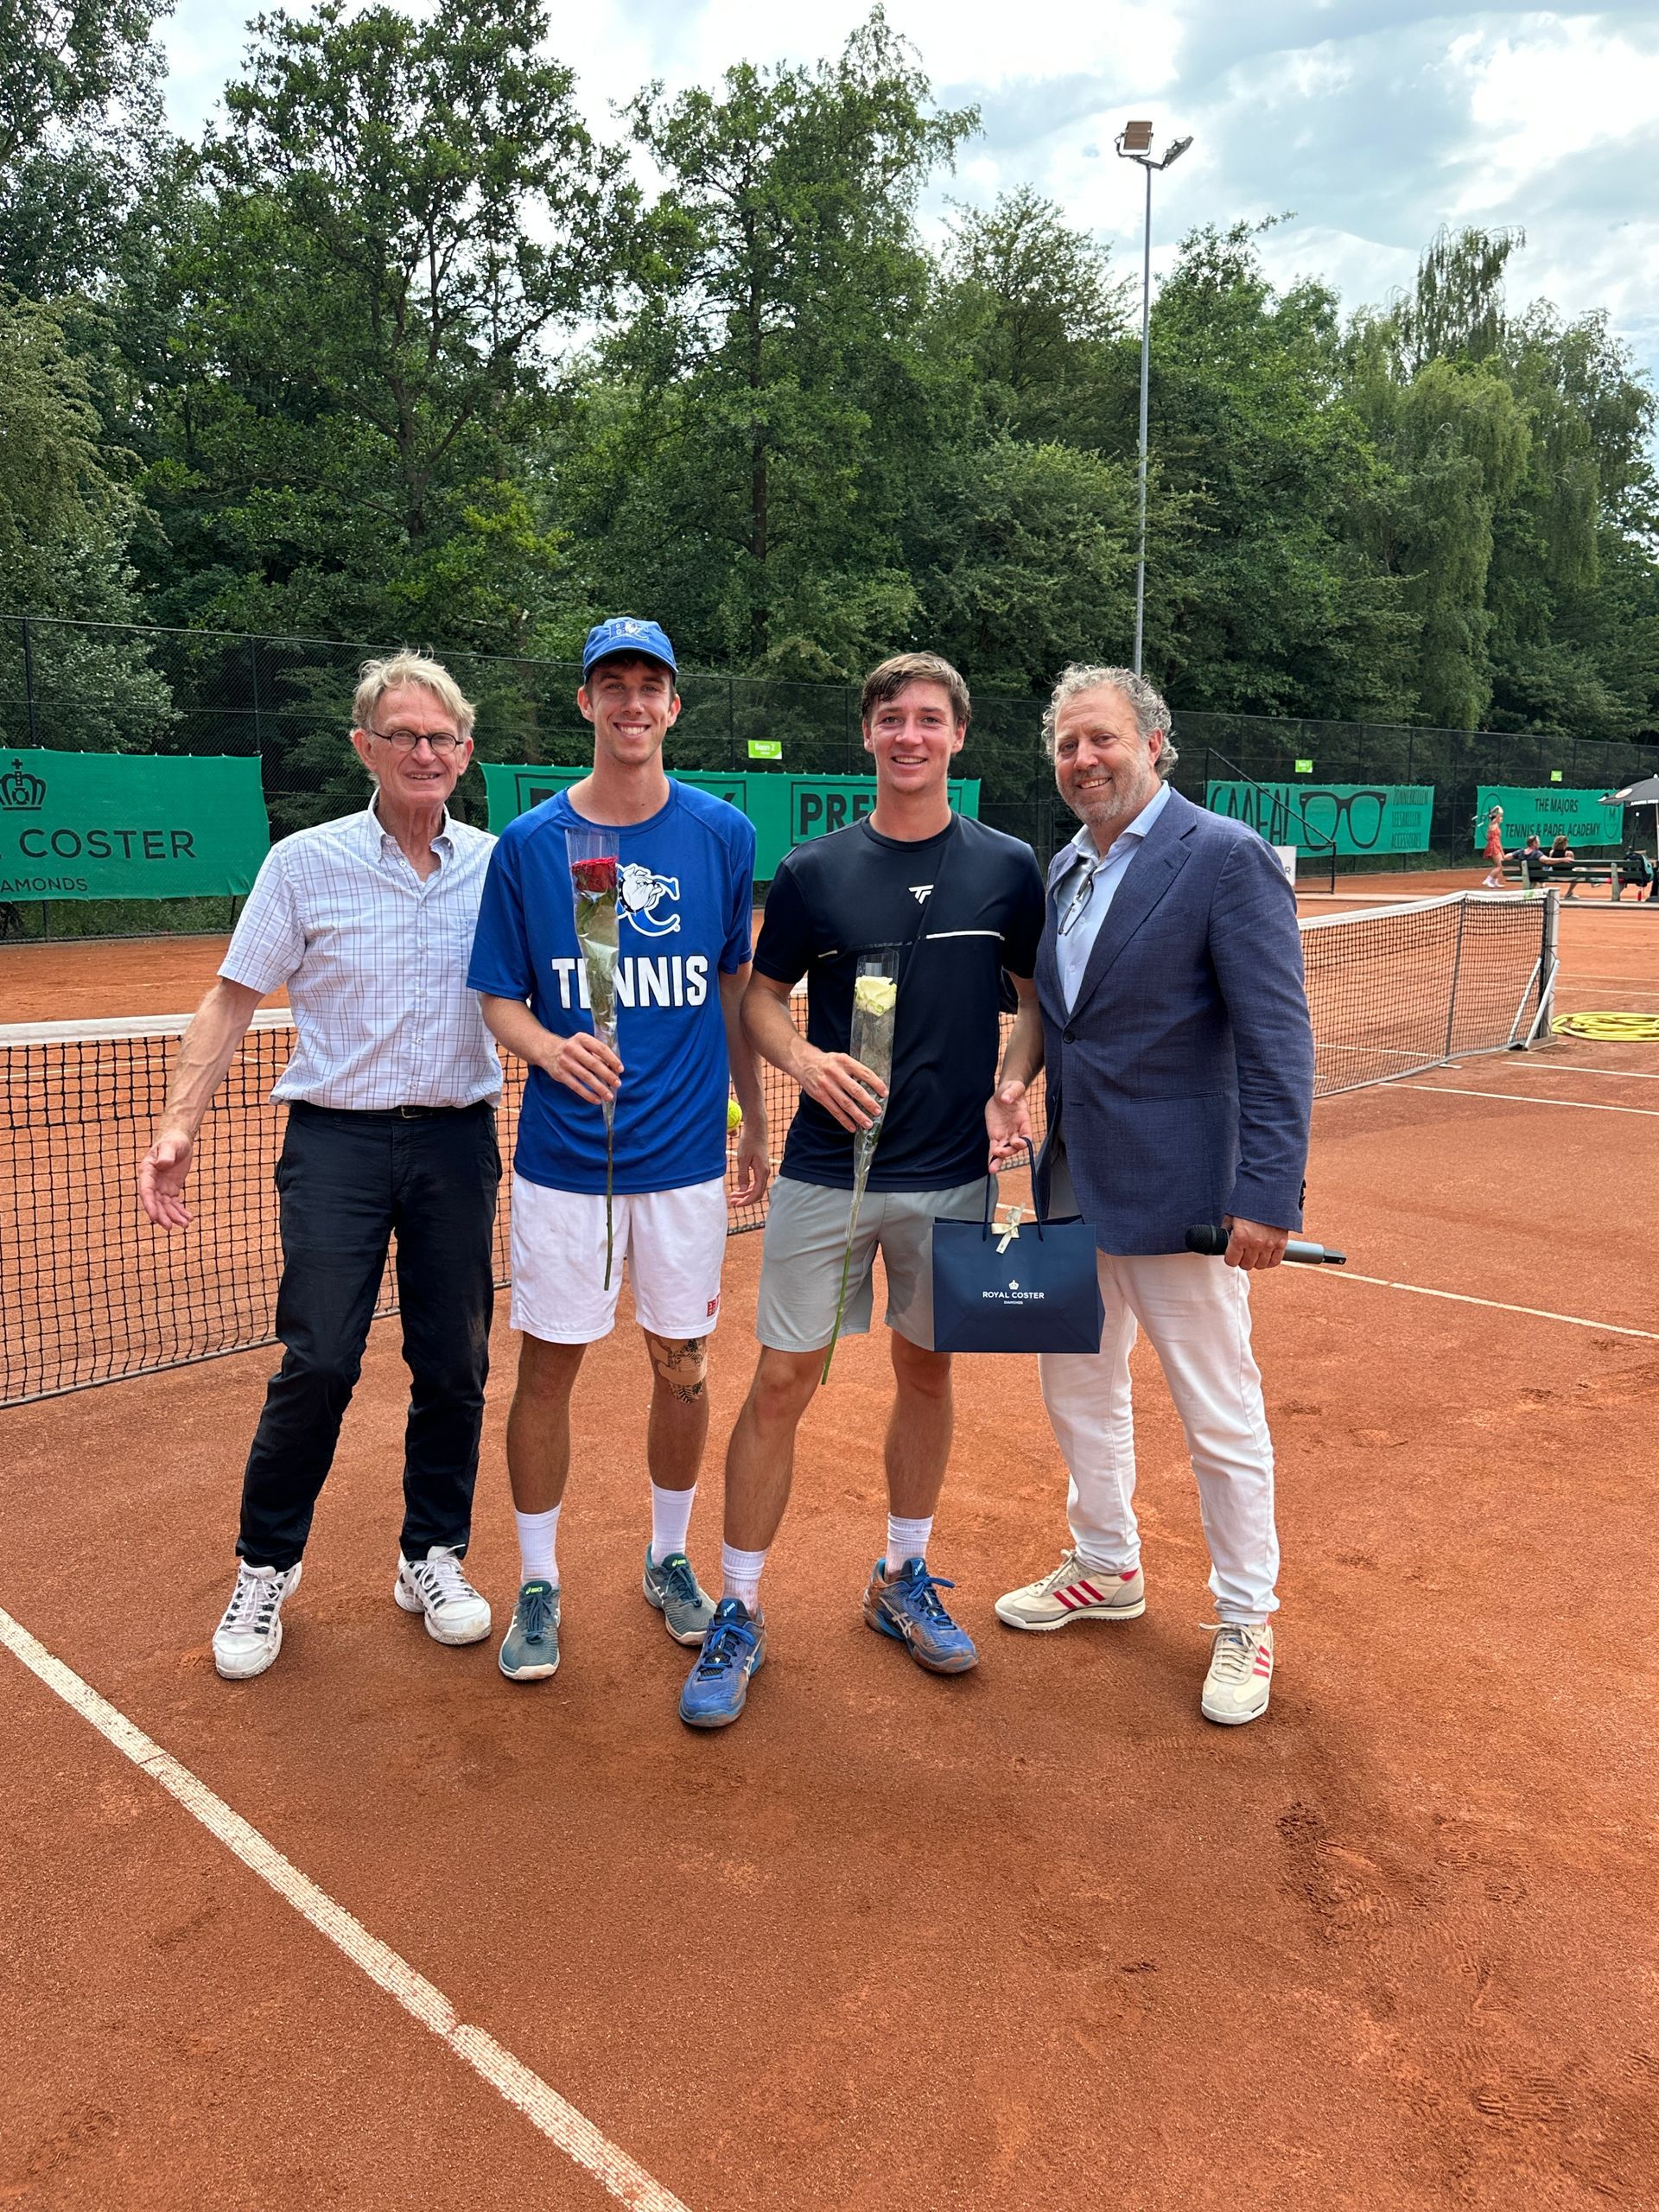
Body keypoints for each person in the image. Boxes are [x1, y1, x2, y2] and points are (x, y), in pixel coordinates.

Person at [677, 651, 1046, 1729]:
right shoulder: (813, 870)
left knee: (927, 1372)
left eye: (929, 718)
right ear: (870, 735)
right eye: (892, 719)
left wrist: (1011, 1085)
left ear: (959, 734)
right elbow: (760, 1000)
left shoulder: (1009, 867)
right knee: (781, 1383)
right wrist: (802, 1063)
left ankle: (902, 1575)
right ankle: (740, 1608)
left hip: (954, 1176)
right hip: (824, 1173)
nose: (909, 736)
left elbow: (1034, 1003)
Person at [139, 652, 502, 1681]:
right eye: (402, 735)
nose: (423, 751)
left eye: (440, 737)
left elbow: (561, 988)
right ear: (364, 748)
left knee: (456, 1362)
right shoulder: (303, 863)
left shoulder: (500, 864)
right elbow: (231, 998)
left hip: (456, 1142)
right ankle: (266, 1566)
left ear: (465, 752)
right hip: (336, 1142)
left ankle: (431, 1553)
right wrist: (177, 1126)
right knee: (322, 1360)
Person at [988, 664, 1315, 1727]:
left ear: (1154, 743)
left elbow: (1278, 1040)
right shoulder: (1064, 867)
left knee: (1218, 1413)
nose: (1084, 760)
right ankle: (1106, 1563)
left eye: (1103, 739)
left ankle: (1247, 1615)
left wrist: (1267, 1194)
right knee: (1078, 1392)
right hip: (1072, 1182)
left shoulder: (1224, 855)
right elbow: (1062, 1018)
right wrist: (1013, 1088)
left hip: (1187, 1196)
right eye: (1067, 745)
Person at [468, 617, 768, 1684]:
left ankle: (667, 1557)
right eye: (613, 684)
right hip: (566, 1165)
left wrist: (754, 1120)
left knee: (682, 1371)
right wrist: (551, 1048)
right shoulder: (529, 845)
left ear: (673, 705)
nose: (632, 702)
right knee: (547, 1369)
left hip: (685, 1163)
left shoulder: (722, 834)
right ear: (586, 703)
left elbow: (736, 990)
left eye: (650, 684)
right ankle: (538, 1581)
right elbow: (498, 996)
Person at [1482, 804, 1506, 887]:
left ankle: (1495, 882)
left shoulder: (1496, 825)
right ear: (1496, 818)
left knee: (1501, 865)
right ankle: (1487, 880)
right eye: (1500, 817)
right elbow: (1501, 811)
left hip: (1497, 845)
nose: (1501, 818)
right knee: (1500, 865)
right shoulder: (1493, 824)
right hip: (1493, 846)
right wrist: (1496, 808)